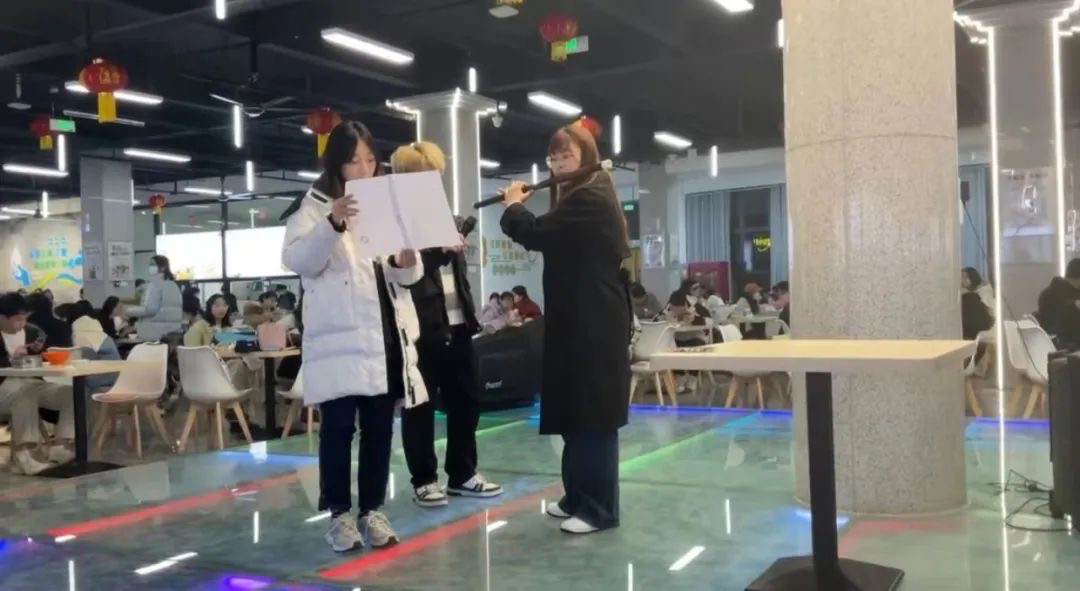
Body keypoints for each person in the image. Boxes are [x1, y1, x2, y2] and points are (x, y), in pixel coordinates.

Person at [282, 119, 429, 552]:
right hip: (338, 342)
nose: (364, 169)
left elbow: (405, 276)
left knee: (379, 430)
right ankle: (339, 515)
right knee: (338, 430)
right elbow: (299, 261)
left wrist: (405, 262)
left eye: (370, 160)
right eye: (353, 161)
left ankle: (372, 510)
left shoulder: (384, 207)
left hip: (383, 339)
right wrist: (333, 222)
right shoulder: (312, 208)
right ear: (337, 165)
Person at [499, 124, 630, 534]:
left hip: (595, 323)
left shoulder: (591, 197)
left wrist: (513, 207)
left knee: (593, 417)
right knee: (576, 414)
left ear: (586, 157)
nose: (558, 166)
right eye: (553, 159)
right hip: (578, 320)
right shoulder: (578, 193)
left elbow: (536, 233)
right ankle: (577, 497)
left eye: (566, 157)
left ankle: (598, 509)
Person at [391, 141, 502, 507]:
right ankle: (424, 480)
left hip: (458, 324)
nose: (431, 183)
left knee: (467, 401)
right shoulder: (395, 226)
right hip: (421, 328)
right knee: (419, 407)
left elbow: (457, 276)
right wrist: (438, 251)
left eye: (435, 175)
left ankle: (463, 473)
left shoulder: (447, 218)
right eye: (423, 175)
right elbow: (404, 274)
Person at [0, 292, 76, 474]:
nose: (22, 324)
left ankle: (62, 445)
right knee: (25, 394)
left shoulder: (31, 332)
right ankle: (24, 456)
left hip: (29, 382)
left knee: (68, 394)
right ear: (2, 317)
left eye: (25, 319)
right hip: (4, 388)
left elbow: (33, 365)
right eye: (18, 320)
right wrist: (12, 359)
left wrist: (35, 353)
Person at [126, 255, 183, 341]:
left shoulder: (155, 285)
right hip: (170, 333)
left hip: (155, 334)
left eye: (153, 264)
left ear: (163, 267)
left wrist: (127, 311)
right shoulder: (173, 285)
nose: (150, 267)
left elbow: (150, 310)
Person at [1037, 258, 1080, 350]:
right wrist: (1074, 305)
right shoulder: (1063, 294)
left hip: (1053, 340)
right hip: (1065, 342)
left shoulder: (1049, 291)